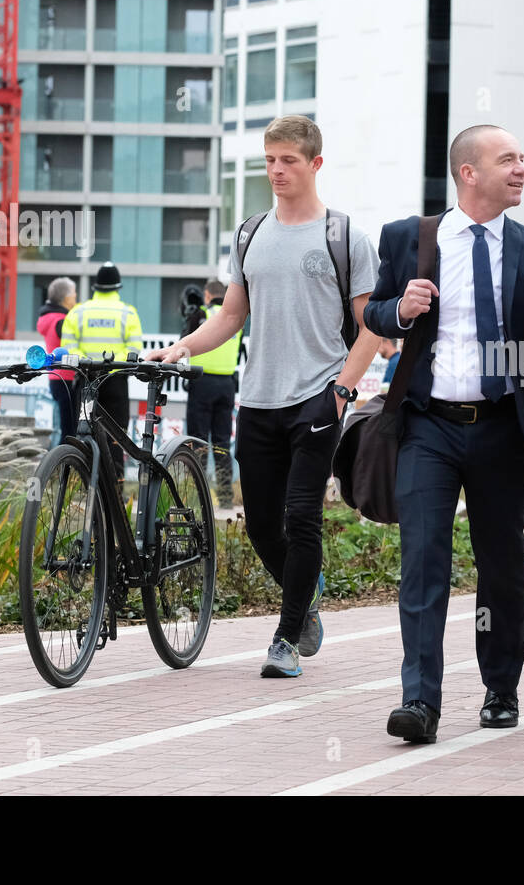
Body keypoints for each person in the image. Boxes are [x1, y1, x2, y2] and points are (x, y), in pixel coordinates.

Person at [365, 124, 524, 744]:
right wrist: (398, 311)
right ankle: (419, 700)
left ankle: (501, 687)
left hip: (502, 428)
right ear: (469, 173)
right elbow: (370, 311)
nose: (522, 169)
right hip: (427, 428)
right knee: (423, 561)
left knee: (501, 568)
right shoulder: (408, 238)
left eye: (523, 158)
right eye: (508, 160)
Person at [152, 115, 382, 675]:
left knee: (301, 515)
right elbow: (231, 316)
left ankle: (285, 639)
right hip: (257, 399)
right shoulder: (249, 232)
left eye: (288, 161)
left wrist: (343, 389)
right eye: (269, 160)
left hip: (318, 396)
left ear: (315, 164)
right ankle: (306, 595)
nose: (276, 171)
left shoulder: (344, 235)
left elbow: (371, 325)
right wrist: (181, 347)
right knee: (258, 524)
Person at [60, 262, 143, 474]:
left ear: (95, 287)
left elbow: (67, 348)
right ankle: (115, 490)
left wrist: (89, 364)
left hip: (86, 378)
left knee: (85, 435)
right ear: (117, 288)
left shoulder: (78, 313)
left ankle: (86, 488)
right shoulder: (128, 313)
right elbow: (134, 348)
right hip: (115, 380)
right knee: (116, 437)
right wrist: (110, 367)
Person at [186, 280, 242, 510]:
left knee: (198, 441)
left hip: (202, 382)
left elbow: (185, 339)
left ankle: (199, 497)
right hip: (226, 384)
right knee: (221, 443)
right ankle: (226, 497)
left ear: (207, 295)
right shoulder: (234, 318)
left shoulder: (201, 314)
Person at [36, 277, 79, 443]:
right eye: (74, 294)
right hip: (67, 378)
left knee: (64, 427)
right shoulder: (62, 320)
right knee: (69, 431)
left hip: (55, 378)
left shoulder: (48, 317)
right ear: (67, 298)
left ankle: (61, 463)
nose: (75, 298)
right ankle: (63, 466)